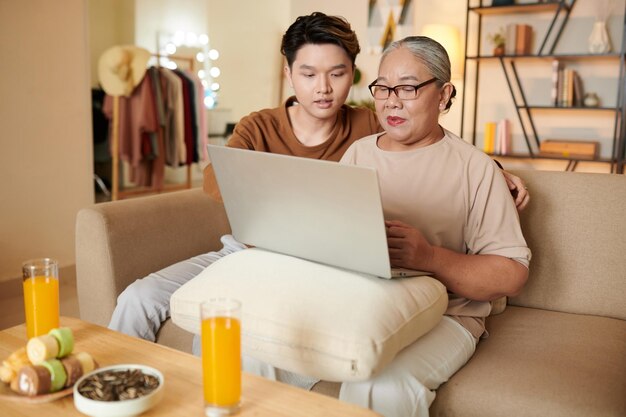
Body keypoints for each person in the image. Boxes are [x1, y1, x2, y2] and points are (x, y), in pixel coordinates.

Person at [108, 12, 530, 349]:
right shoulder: (259, 126)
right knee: (137, 298)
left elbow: (430, 144)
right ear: (290, 73)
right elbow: (218, 180)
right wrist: (285, 196)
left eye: (338, 73)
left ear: (354, 75)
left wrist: (496, 170)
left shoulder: (370, 124)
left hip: (314, 265)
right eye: (309, 74)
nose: (324, 89)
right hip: (254, 247)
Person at [246, 35, 532, 417]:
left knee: (380, 382)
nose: (391, 100)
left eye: (408, 88)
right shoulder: (359, 154)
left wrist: (429, 257)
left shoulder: (476, 168)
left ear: (444, 94)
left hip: (446, 316)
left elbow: (510, 274)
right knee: (252, 350)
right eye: (382, 88)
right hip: (357, 306)